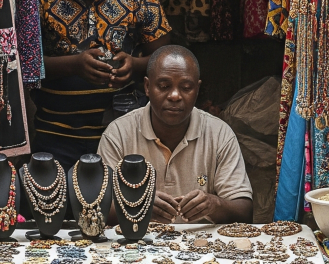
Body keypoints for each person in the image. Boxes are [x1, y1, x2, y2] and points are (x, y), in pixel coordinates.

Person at [34, 0, 171, 167]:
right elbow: (22, 64)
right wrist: (74, 65)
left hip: (123, 133)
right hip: (56, 135)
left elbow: (167, 59)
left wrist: (135, 65)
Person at [98, 45, 253, 224]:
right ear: (147, 87)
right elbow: (98, 209)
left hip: (202, 248)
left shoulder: (219, 134)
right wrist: (138, 206)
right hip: (137, 246)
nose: (174, 96)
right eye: (164, 86)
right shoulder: (118, 134)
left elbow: (244, 212)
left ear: (197, 89)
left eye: (186, 88)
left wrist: (214, 204)